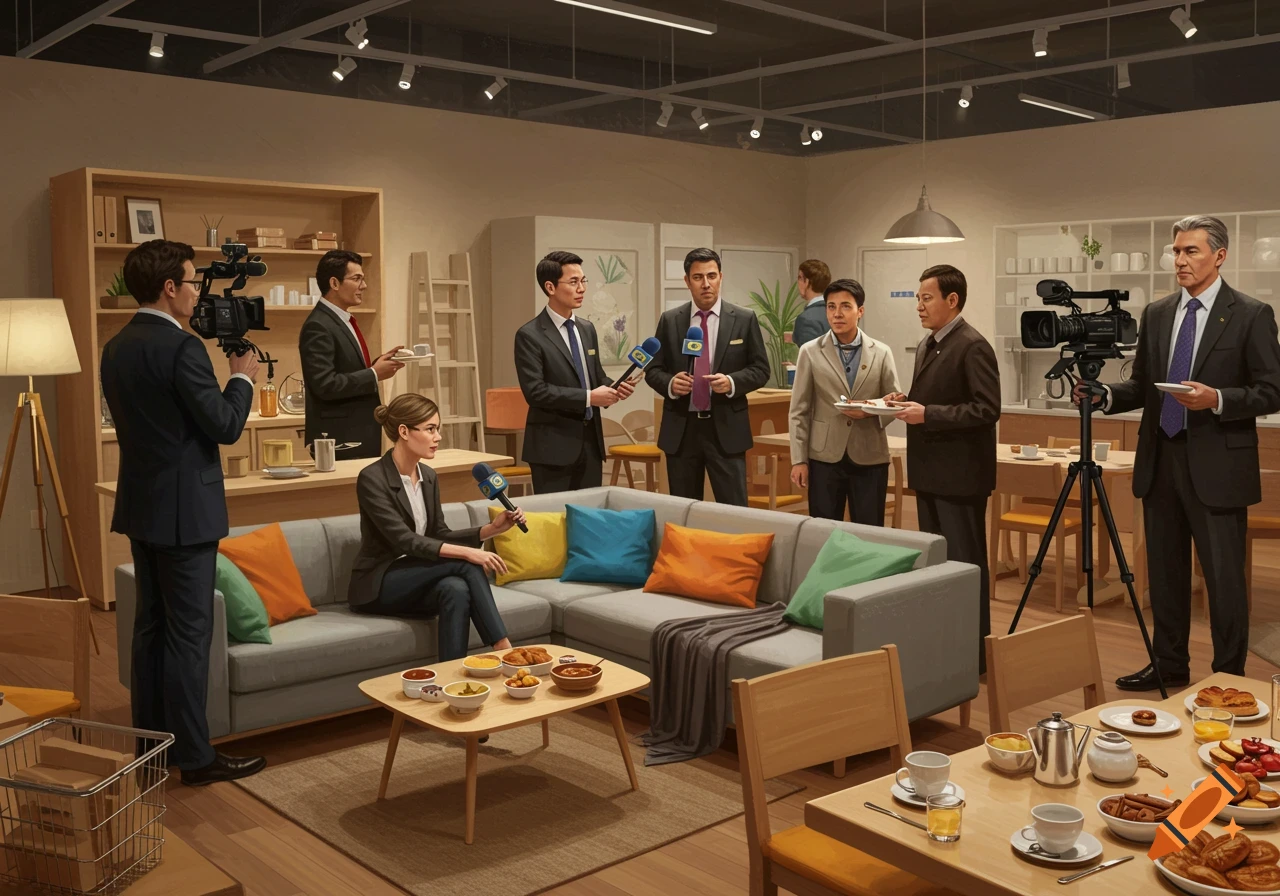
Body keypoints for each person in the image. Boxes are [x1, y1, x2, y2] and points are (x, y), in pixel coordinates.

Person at [1077, 215, 1280, 691]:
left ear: (1220, 256)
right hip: (1161, 459)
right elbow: (1145, 384)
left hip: (1217, 466)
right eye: (1177, 251)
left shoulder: (1251, 314)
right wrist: (1106, 396)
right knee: (1165, 577)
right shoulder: (1159, 313)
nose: (1180, 260)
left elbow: (1272, 391)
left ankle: (1230, 676)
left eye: (1191, 251)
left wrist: (1218, 399)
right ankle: (1169, 665)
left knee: (1223, 581)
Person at [99, 239, 266, 786]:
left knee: (150, 629)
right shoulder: (183, 348)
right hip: (186, 514)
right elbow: (223, 425)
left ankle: (153, 750)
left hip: (143, 507)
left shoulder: (116, 346)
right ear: (169, 288)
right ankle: (195, 757)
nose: (197, 293)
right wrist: (242, 376)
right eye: (192, 282)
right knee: (189, 637)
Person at [348, 393, 523, 661]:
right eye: (430, 429)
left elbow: (438, 534)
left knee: (456, 589)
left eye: (437, 429)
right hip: (380, 582)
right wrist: (469, 553)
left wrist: (491, 529)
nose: (438, 436)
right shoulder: (372, 479)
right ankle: (505, 649)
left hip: (420, 576)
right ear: (404, 432)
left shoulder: (428, 476)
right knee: (467, 564)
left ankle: (451, 679)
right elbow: (405, 541)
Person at [885, 264, 999, 673]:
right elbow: (934, 397)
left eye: (926, 297)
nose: (919, 305)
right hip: (931, 473)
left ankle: (975, 655)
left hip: (960, 477)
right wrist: (907, 401)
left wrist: (927, 413)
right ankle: (945, 644)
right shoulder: (929, 343)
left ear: (952, 301)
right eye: (917, 297)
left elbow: (987, 409)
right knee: (938, 565)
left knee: (966, 566)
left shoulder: (972, 345)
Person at [646, 248, 771, 504]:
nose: (706, 284)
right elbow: (653, 370)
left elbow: (761, 370)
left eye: (712, 276)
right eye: (698, 277)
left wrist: (732, 382)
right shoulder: (671, 320)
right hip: (682, 429)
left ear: (721, 277)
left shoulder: (744, 319)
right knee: (684, 511)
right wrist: (670, 383)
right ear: (687, 281)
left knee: (734, 510)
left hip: (725, 428)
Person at [514, 251, 633, 494]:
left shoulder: (586, 328)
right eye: (573, 282)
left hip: (590, 445)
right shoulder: (530, 335)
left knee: (588, 520)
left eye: (583, 281)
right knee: (555, 522)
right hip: (552, 449)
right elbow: (536, 392)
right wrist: (590, 397)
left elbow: (595, 376)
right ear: (550, 287)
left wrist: (615, 387)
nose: (582, 289)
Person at [789, 278, 902, 525]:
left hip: (869, 454)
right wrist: (799, 460)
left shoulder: (881, 352)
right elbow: (799, 410)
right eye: (831, 307)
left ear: (860, 311)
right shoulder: (809, 351)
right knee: (823, 528)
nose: (837, 314)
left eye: (845, 306)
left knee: (870, 530)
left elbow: (895, 402)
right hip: (824, 456)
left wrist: (870, 410)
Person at [299, 250, 405, 459]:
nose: (363, 286)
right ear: (334, 283)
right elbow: (325, 385)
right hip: (341, 437)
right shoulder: (318, 325)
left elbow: (345, 370)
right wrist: (374, 374)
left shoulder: (339, 319)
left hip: (358, 432)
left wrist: (378, 365)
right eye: (357, 279)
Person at [791, 258, 833, 347]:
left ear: (807, 282)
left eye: (799, 278)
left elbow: (810, 357)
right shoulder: (836, 313)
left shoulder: (806, 319)